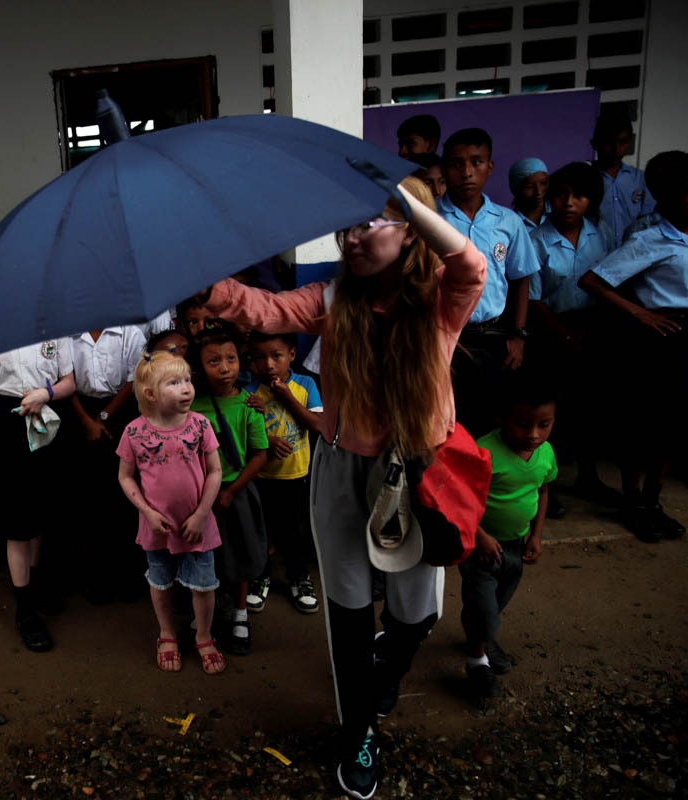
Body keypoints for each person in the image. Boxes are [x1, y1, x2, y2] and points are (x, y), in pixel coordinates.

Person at [198, 176, 485, 799]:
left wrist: (403, 199)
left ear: (410, 230)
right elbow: (266, 310)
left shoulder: (440, 298)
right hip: (341, 473)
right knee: (350, 614)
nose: (352, 237)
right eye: (346, 226)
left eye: (370, 223)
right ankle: (358, 732)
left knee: (418, 612)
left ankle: (390, 663)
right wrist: (206, 285)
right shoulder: (333, 297)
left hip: (418, 472)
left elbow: (469, 261)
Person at [578, 151, 688, 538]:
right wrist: (640, 313)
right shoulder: (651, 238)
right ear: (671, 198)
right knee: (648, 424)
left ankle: (654, 500)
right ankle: (633, 502)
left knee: (679, 426)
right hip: (664, 338)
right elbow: (592, 281)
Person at [0, 339, 76, 652]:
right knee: (17, 524)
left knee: (41, 515)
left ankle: (36, 585)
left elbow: (70, 382)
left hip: (46, 422)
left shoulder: (55, 330)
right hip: (5, 425)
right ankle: (25, 611)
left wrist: (46, 393)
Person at [116, 351, 225, 674]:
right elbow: (124, 476)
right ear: (150, 393)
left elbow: (215, 471)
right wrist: (147, 512)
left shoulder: (201, 425)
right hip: (157, 526)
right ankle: (167, 633)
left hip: (198, 524)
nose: (187, 388)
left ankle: (203, 635)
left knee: (204, 585)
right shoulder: (134, 432)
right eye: (175, 382)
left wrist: (202, 514)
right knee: (160, 582)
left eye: (188, 380)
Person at [527, 162, 617, 511]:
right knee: (554, 409)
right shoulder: (537, 239)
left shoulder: (601, 234)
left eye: (578, 195)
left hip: (594, 329)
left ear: (590, 200)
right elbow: (533, 298)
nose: (569, 202)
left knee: (591, 406)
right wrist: (564, 335)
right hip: (551, 330)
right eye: (562, 193)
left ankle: (589, 477)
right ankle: (548, 487)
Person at [440, 128, 540, 437]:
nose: (467, 173)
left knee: (492, 416)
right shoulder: (430, 217)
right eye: (457, 164)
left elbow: (521, 279)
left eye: (476, 162)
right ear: (446, 169)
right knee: (449, 419)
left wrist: (519, 335)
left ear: (490, 167)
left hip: (495, 334)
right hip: (446, 334)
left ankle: (488, 483)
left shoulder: (507, 222)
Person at [461, 378, 557, 700]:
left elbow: (542, 490)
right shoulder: (484, 451)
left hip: (516, 546)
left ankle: (480, 634)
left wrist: (537, 535)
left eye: (544, 425)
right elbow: (462, 498)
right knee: (485, 607)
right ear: (502, 418)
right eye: (522, 424)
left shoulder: (545, 453)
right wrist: (481, 536)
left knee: (497, 600)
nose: (533, 434)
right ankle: (478, 660)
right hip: (481, 547)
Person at [188, 328, 268, 657]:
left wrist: (233, 489)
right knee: (205, 555)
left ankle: (240, 613)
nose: (225, 368)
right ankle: (208, 610)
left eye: (231, 359)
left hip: (237, 492)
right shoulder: (192, 403)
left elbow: (259, 455)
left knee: (241, 553)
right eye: (214, 361)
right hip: (200, 495)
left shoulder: (249, 405)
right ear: (198, 366)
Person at [66, 325, 148, 603]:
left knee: (122, 496)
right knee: (85, 496)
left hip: (119, 411)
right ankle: (90, 578)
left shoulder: (129, 333)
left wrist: (103, 417)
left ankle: (127, 577)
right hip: (78, 413)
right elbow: (63, 379)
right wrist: (87, 422)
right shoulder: (67, 333)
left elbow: (134, 379)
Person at [243, 331, 323, 614]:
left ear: (291, 354)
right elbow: (244, 436)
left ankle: (299, 578)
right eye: (260, 358)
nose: (268, 364)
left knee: (296, 531)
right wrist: (267, 440)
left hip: (297, 475)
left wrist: (287, 397)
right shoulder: (250, 392)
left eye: (276, 356)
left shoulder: (305, 384)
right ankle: (260, 576)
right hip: (262, 477)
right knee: (262, 529)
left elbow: (317, 425)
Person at [591, 112, 655, 249]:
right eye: (609, 142)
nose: (616, 149)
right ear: (595, 143)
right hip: (593, 256)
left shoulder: (640, 179)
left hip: (632, 256)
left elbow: (648, 221)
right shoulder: (585, 177)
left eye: (623, 142)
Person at [508, 158, 549, 232]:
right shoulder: (509, 223)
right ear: (516, 189)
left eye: (543, 183)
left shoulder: (561, 214)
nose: (539, 192)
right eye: (529, 187)